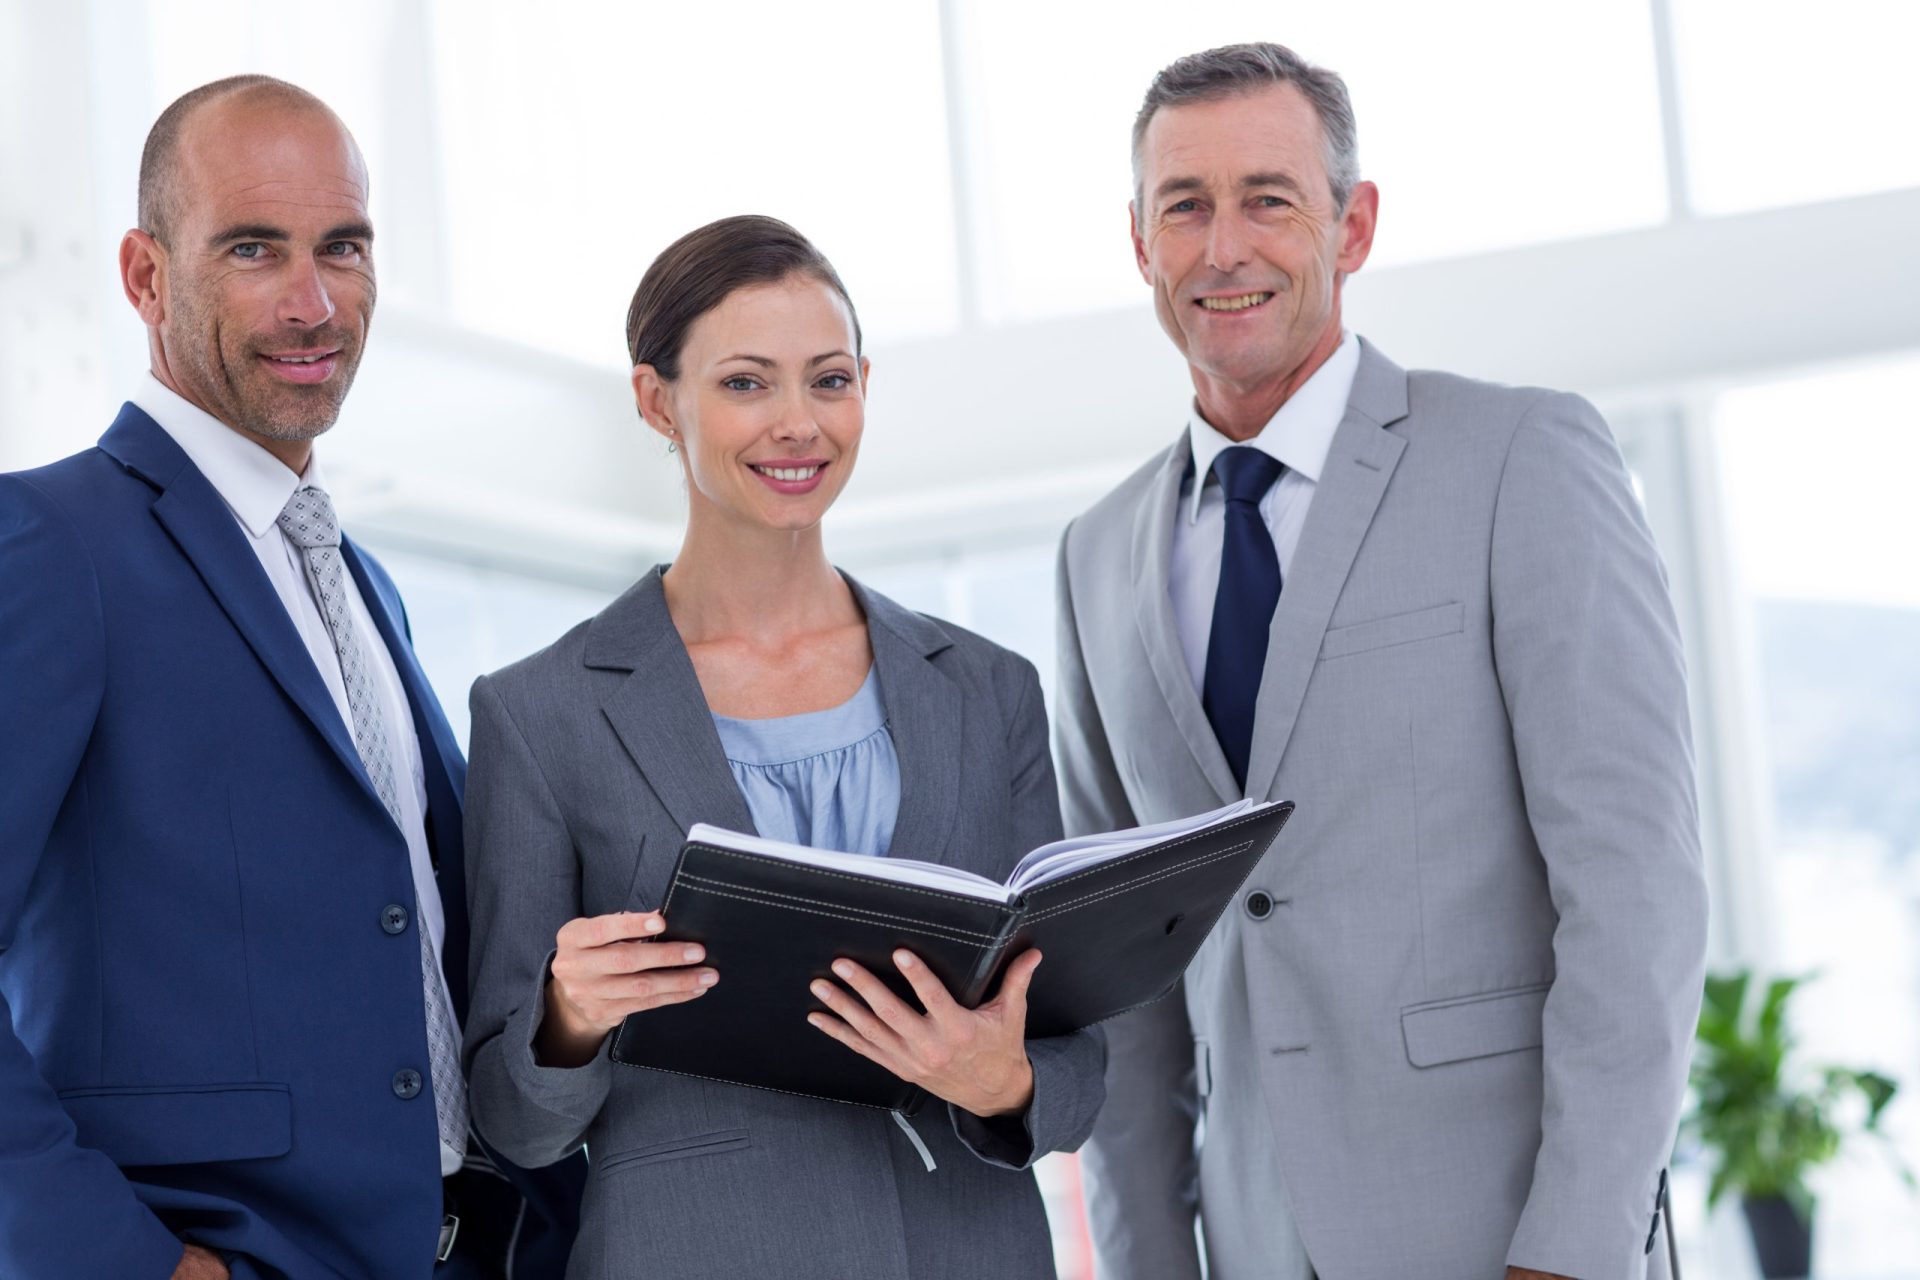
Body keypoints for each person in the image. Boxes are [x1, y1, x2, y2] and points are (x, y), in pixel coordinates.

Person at [1058, 43, 1709, 1280]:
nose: (1223, 246)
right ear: (1139, 242)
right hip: (1254, 1245)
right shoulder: (1095, 559)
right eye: (1183, 206)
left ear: (1352, 227)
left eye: (1269, 198)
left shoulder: (1519, 458)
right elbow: (1124, 994)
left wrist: (1571, 1250)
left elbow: (1636, 892)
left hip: (1509, 1234)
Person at [0, 76, 580, 1278]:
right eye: (255, 248)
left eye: (344, 247)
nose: (313, 302)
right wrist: (124, 1263)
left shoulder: (362, 580)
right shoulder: (51, 543)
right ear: (146, 275)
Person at [461, 214, 1105, 1279]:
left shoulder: (989, 690)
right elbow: (511, 1121)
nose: (799, 424)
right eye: (748, 383)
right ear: (655, 399)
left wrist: (1003, 1079)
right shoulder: (542, 713)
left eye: (831, 380)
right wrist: (569, 1015)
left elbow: (1074, 1054)